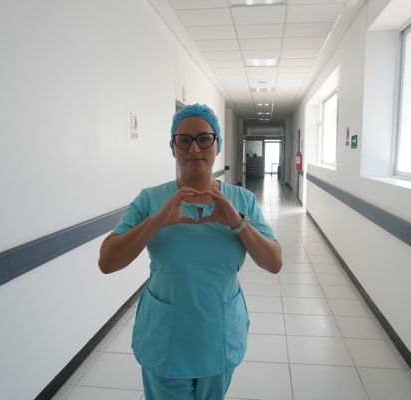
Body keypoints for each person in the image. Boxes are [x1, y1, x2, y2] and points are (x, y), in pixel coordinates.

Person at [98, 103, 282, 400]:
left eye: (204, 138)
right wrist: (156, 221)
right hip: (165, 337)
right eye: (184, 140)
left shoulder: (242, 201)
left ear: (218, 144)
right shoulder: (151, 199)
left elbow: (274, 262)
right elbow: (107, 261)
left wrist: (238, 223)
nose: (194, 148)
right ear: (173, 147)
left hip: (219, 335)